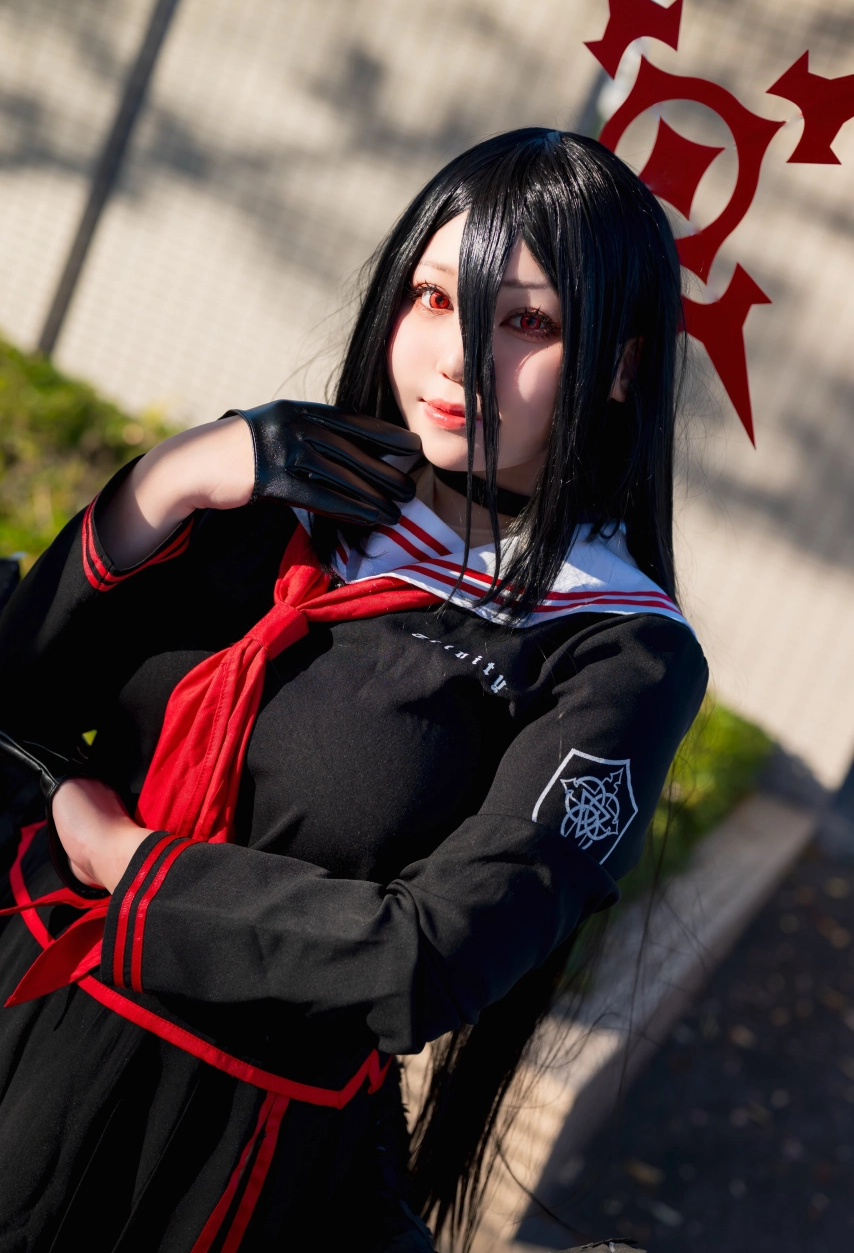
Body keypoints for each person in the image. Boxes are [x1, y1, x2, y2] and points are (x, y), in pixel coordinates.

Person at [0, 128, 707, 1252]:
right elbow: (16, 697)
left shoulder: (616, 649)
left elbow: (425, 958)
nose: (458, 358)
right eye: (432, 298)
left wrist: (127, 862)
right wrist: (163, 484)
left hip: (211, 1144)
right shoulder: (277, 489)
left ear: (620, 365)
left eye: (526, 323)